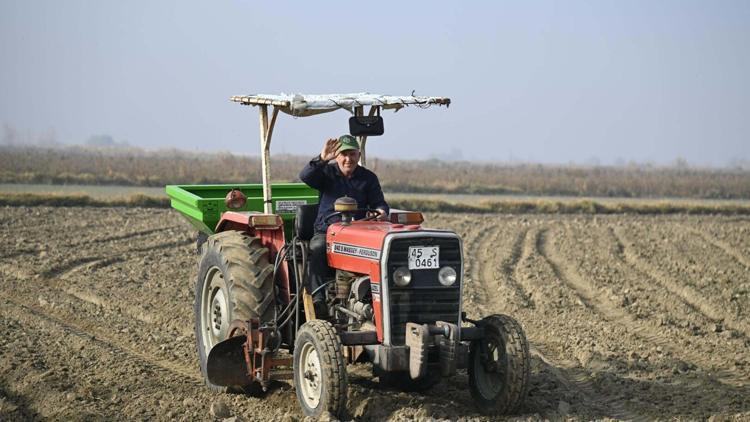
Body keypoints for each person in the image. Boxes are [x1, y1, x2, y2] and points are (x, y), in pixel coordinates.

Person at [299, 134, 389, 316]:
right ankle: (318, 300)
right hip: (327, 231)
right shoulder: (326, 173)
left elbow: (380, 203)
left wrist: (381, 212)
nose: (348, 159)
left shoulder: (368, 178)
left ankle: (372, 298)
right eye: (344, 154)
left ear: (358, 155)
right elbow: (305, 176)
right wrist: (322, 159)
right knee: (316, 248)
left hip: (357, 234)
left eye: (352, 154)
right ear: (337, 156)